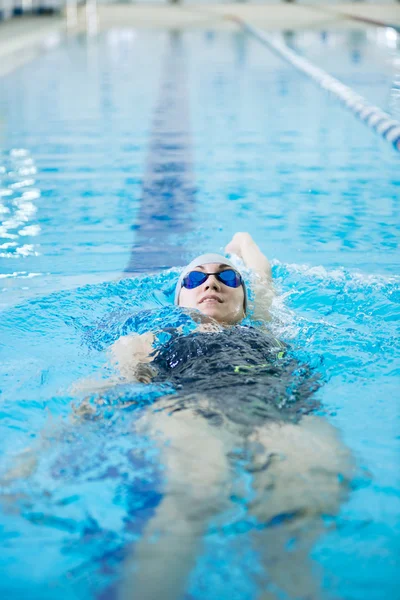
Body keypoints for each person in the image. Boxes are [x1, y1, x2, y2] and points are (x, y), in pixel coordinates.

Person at [110, 232, 354, 600]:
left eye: (226, 277)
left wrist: (243, 243)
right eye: (194, 279)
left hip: (280, 412)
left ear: (243, 298)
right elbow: (112, 391)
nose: (210, 282)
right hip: (193, 408)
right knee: (197, 492)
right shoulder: (151, 339)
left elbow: (263, 276)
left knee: (302, 505)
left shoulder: (265, 328)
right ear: (179, 300)